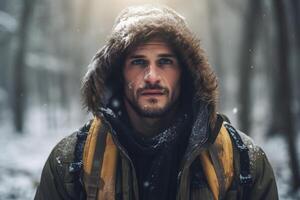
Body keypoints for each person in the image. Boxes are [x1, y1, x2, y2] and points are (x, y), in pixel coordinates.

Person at [34, 5, 278, 200]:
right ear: (119, 73)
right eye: (138, 62)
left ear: (186, 72)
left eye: (165, 62)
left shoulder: (242, 162)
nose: (151, 76)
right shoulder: (69, 166)